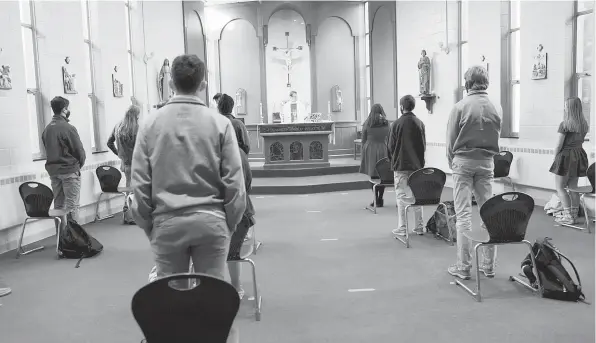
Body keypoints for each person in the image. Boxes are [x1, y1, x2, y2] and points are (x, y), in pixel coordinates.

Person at [131, 54, 246, 283]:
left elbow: (140, 183)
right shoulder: (220, 124)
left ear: (171, 84)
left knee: (173, 302)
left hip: (166, 221)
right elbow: (235, 182)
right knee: (211, 297)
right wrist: (229, 223)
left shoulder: (150, 124)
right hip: (211, 221)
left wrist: (149, 226)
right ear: (203, 85)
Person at [446, 66, 501, 280]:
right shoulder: (497, 107)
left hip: (464, 161)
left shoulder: (460, 107)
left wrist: (453, 163)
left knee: (463, 216)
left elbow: (451, 141)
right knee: (489, 213)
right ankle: (489, 266)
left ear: (467, 83)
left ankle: (463, 266)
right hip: (487, 162)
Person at [218, 93, 256, 299]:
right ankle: (234, 287)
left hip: (233, 213)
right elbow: (248, 183)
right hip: (235, 211)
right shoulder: (240, 153)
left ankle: (233, 287)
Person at [42, 96, 86, 224]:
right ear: (64, 109)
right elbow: (79, 151)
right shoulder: (68, 128)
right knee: (72, 206)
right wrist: (78, 166)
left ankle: (61, 239)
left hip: (54, 172)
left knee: (59, 207)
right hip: (69, 170)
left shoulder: (47, 129)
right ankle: (74, 239)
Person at [387, 95, 426, 236]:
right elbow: (423, 146)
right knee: (417, 196)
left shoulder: (396, 124)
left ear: (402, 107)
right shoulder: (420, 123)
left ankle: (403, 228)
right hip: (417, 165)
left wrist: (393, 160)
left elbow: (390, 146)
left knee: (401, 196)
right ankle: (419, 226)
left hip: (401, 164)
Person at [549, 97, 589, 225]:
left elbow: (558, 145)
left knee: (560, 187)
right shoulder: (584, 124)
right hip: (579, 156)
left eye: (566, 106)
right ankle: (574, 215)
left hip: (565, 156)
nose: (564, 108)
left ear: (570, 108)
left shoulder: (565, 124)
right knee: (573, 187)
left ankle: (568, 217)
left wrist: (555, 158)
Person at [107, 104, 140, 225]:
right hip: (136, 164)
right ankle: (130, 216)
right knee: (134, 190)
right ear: (136, 115)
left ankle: (128, 215)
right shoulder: (136, 129)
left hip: (125, 163)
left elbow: (109, 143)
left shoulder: (118, 126)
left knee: (129, 189)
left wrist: (119, 155)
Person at [359, 104, 390, 207]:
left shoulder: (367, 123)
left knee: (372, 176)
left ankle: (375, 199)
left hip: (370, 149)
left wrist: (363, 152)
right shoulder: (386, 123)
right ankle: (381, 198)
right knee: (382, 175)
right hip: (382, 148)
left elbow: (363, 139)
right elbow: (389, 138)